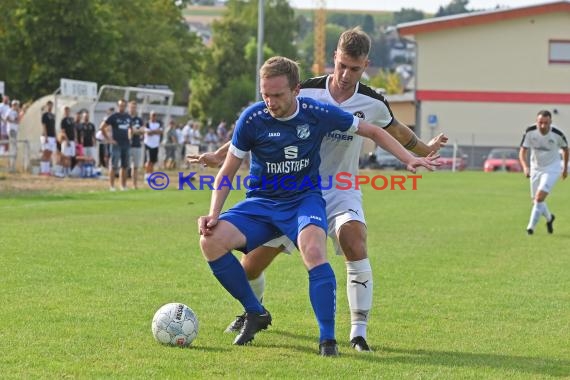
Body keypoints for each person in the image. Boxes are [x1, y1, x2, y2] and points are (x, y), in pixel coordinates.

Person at [189, 27, 447, 352]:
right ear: (333, 59)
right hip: (287, 190)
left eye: (354, 68)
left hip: (337, 188)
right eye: (341, 65)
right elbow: (256, 124)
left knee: (352, 240)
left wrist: (420, 153)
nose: (345, 74)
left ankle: (358, 332)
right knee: (251, 266)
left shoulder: (373, 102)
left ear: (365, 65)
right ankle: (253, 311)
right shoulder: (305, 90)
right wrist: (220, 154)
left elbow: (393, 131)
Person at [519, 109, 568, 235]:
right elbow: (522, 151)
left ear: (550, 122)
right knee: (536, 200)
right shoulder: (530, 131)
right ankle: (550, 218)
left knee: (539, 197)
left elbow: (566, 149)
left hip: (552, 168)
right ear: (537, 121)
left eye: (546, 123)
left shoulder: (557, 134)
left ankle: (530, 228)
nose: (543, 126)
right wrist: (525, 167)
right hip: (535, 167)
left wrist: (564, 168)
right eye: (540, 122)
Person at [100, 99, 132, 191]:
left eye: (124, 105)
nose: (122, 107)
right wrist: (109, 139)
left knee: (124, 165)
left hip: (126, 144)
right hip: (116, 144)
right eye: (120, 105)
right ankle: (112, 186)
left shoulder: (128, 117)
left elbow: (130, 129)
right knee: (113, 165)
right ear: (118, 106)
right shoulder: (113, 116)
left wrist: (130, 137)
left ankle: (123, 185)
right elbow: (102, 127)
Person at [128, 101, 144, 189]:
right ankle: (124, 184)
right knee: (124, 166)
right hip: (127, 145)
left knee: (135, 166)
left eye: (134, 107)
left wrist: (133, 131)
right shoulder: (125, 118)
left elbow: (142, 130)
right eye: (131, 107)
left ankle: (134, 185)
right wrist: (134, 130)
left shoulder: (139, 119)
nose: (133, 109)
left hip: (136, 144)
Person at [144, 111, 163, 179]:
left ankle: (151, 175)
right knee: (148, 161)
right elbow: (148, 132)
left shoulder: (159, 123)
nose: (154, 117)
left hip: (155, 145)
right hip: (148, 144)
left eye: (155, 115)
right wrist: (155, 131)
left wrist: (152, 131)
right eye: (152, 115)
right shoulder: (147, 123)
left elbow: (160, 131)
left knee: (153, 161)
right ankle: (146, 175)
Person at [40, 100, 57, 175]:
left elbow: (53, 126)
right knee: (45, 153)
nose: (50, 107)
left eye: (51, 105)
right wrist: (46, 136)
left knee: (50, 153)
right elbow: (44, 126)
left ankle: (47, 170)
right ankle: (43, 170)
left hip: (52, 136)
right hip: (46, 136)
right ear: (47, 106)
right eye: (49, 105)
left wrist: (56, 136)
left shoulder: (53, 115)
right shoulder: (45, 115)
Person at [60, 106, 76, 177]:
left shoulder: (72, 120)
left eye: (68, 111)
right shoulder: (63, 120)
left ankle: (69, 172)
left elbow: (74, 129)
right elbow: (63, 131)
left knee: (70, 156)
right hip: (66, 141)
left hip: (72, 140)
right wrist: (67, 140)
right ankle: (64, 171)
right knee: (65, 156)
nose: (67, 112)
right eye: (65, 111)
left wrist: (75, 138)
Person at [5, 99, 20, 171]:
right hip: (11, 130)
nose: (17, 106)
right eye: (16, 105)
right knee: (13, 146)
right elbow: (6, 118)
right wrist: (13, 121)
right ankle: (11, 165)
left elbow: (18, 120)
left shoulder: (16, 112)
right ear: (13, 105)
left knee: (14, 147)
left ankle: (12, 164)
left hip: (15, 130)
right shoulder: (10, 110)